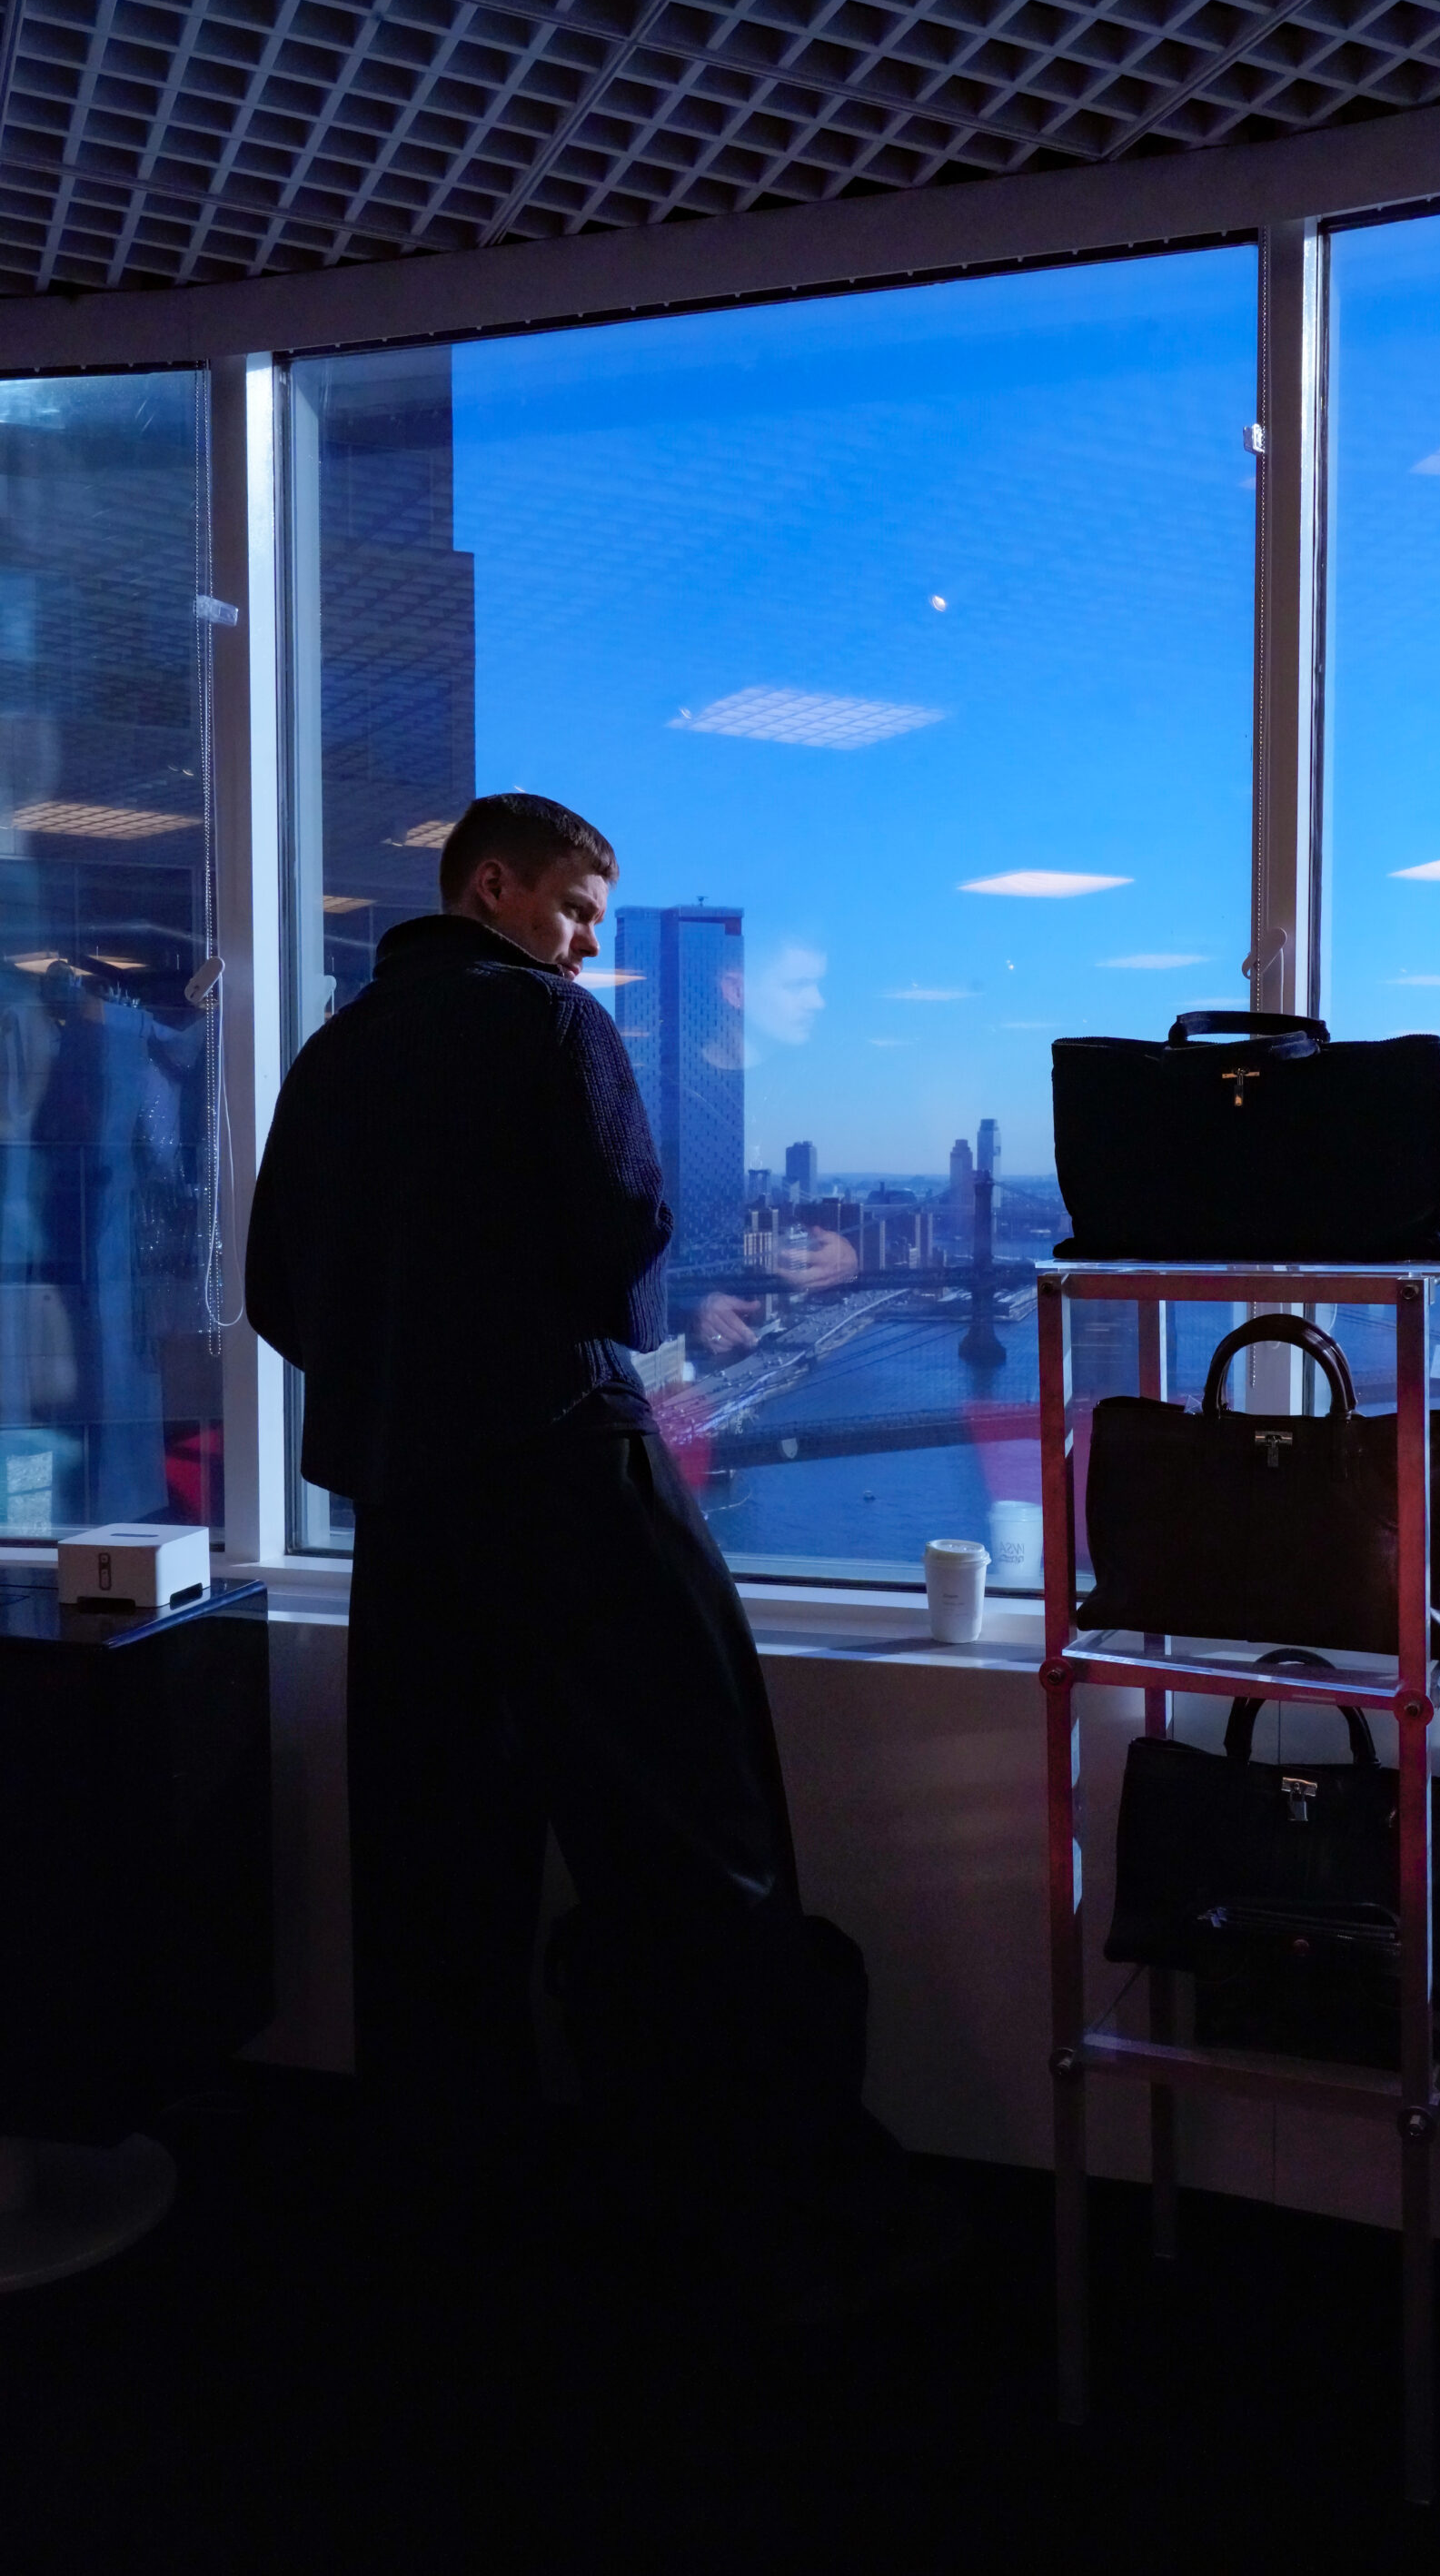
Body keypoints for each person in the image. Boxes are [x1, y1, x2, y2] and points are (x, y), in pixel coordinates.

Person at [244, 790, 915, 2304]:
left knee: (434, 1866)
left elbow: (277, 1285)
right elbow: (624, 1241)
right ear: (493, 887)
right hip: (563, 1469)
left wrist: (400, 1368)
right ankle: (743, 2199)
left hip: (405, 1504)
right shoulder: (549, 1024)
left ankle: (449, 2211)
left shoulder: (333, 1052)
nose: (586, 946)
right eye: (575, 910)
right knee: (700, 1834)